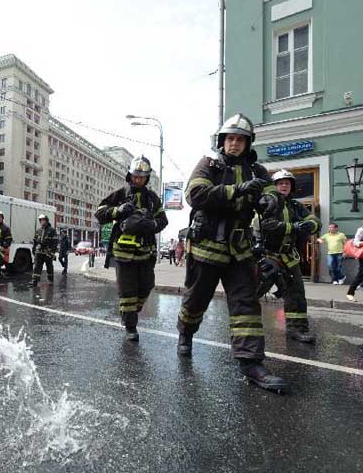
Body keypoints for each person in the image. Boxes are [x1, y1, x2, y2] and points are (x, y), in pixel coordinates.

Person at [175, 113, 287, 393]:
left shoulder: (258, 171)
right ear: (222, 141)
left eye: (240, 140)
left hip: (240, 250)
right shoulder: (209, 164)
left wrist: (268, 200)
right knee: (196, 299)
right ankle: (186, 334)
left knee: (246, 306)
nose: (234, 144)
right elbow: (195, 195)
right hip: (206, 247)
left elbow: (274, 194)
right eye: (230, 139)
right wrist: (236, 190)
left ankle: (251, 365)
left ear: (248, 144)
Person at [95, 155, 168, 341]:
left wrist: (151, 225)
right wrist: (117, 211)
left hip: (146, 254)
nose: (138, 180)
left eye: (142, 177)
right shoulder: (120, 194)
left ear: (147, 178)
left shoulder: (152, 198)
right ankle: (130, 327)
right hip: (123, 254)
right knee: (127, 292)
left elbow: (163, 220)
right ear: (130, 175)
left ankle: (130, 312)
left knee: (146, 287)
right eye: (135, 176)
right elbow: (99, 212)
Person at [257, 169, 321, 343]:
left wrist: (310, 225)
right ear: (274, 186)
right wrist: (295, 227)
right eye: (280, 183)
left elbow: (315, 221)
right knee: (252, 292)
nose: (284, 185)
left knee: (296, 295)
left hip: (289, 257)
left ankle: (297, 330)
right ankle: (242, 330)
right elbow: (267, 225)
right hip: (268, 256)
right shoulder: (266, 202)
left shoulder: (296, 206)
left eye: (287, 183)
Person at [29, 214, 58, 287]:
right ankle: (34, 281)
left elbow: (55, 242)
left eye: (43, 220)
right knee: (37, 266)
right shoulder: (38, 230)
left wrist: (52, 252)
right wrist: (33, 249)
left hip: (47, 252)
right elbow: (35, 241)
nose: (42, 222)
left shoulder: (52, 230)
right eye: (41, 220)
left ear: (47, 221)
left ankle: (50, 280)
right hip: (39, 252)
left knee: (49, 266)